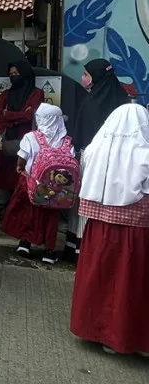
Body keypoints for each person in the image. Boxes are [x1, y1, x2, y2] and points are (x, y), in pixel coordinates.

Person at [70, 103, 149, 356]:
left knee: (99, 276)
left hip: (99, 227)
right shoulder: (145, 151)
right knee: (131, 281)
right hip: (136, 232)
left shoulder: (95, 147)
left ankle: (97, 331)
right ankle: (131, 337)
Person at [64, 58, 130, 260]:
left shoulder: (94, 101)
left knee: (87, 201)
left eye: (86, 74)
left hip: (93, 160)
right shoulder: (121, 99)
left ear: (97, 76)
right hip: (107, 162)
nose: (84, 78)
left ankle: (82, 246)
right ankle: (82, 245)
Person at [2, 104, 72, 264]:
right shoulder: (66, 141)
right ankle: (49, 251)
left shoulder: (31, 137)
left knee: (28, 212)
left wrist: (20, 168)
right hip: (56, 188)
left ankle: (25, 243)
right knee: (51, 217)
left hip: (32, 182)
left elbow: (22, 157)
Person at [0, 60, 45, 220]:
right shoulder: (7, 94)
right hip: (8, 141)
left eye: (17, 74)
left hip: (28, 142)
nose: (14, 77)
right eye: (11, 75)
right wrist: (20, 116)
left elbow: (31, 116)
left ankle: (21, 214)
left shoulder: (37, 93)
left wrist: (9, 115)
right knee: (6, 178)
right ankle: (3, 212)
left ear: (25, 74)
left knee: (24, 176)